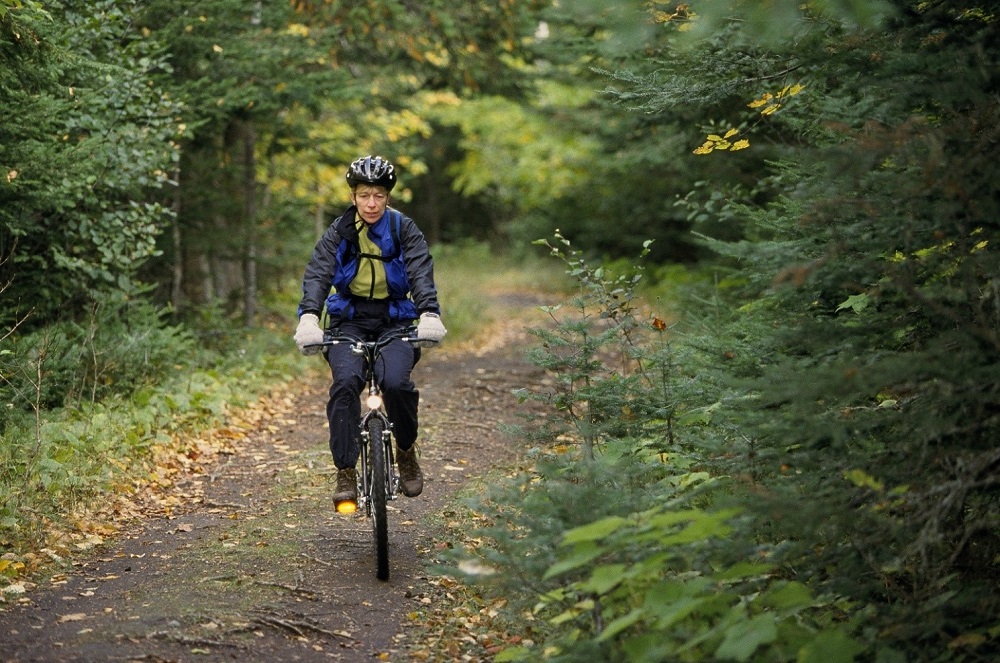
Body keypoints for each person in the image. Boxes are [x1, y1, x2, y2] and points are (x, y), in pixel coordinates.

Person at [293, 155, 447, 504]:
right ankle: (346, 471)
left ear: (387, 197)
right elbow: (318, 272)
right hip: (349, 320)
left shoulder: (402, 228)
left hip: (395, 320)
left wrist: (429, 314)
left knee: (396, 383)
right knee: (345, 383)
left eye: (378, 195)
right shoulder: (339, 232)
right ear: (353, 197)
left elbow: (420, 269)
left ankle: (405, 452)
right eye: (364, 195)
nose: (371, 203)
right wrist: (309, 317)